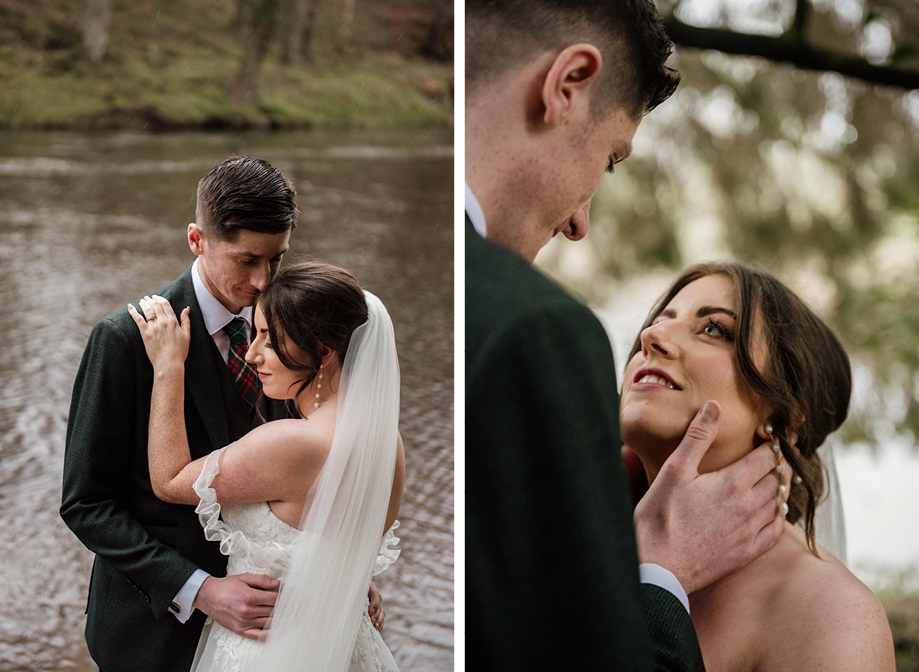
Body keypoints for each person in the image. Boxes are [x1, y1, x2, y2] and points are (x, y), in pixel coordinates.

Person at [466, 1, 791, 669]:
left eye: (713, 328)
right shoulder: (534, 325)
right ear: (566, 85)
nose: (579, 221)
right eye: (610, 159)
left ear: (783, 415)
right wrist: (657, 572)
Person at [61, 157, 382, 672]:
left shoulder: (294, 330)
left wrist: (332, 559)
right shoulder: (124, 340)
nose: (262, 281)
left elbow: (314, 465)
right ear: (197, 239)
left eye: (277, 259)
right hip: (155, 635)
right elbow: (86, 504)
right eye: (246, 260)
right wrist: (201, 590)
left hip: (275, 636)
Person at [127, 261, 404, 671]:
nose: (252, 354)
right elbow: (333, 537)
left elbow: (169, 481)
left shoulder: (294, 442)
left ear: (324, 352)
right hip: (347, 647)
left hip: (270, 649)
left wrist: (169, 367)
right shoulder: (387, 439)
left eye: (268, 341)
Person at [619, 261, 896, 671]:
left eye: (713, 329)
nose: (652, 336)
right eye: (661, 320)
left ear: (784, 419)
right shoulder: (570, 531)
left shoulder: (831, 617)